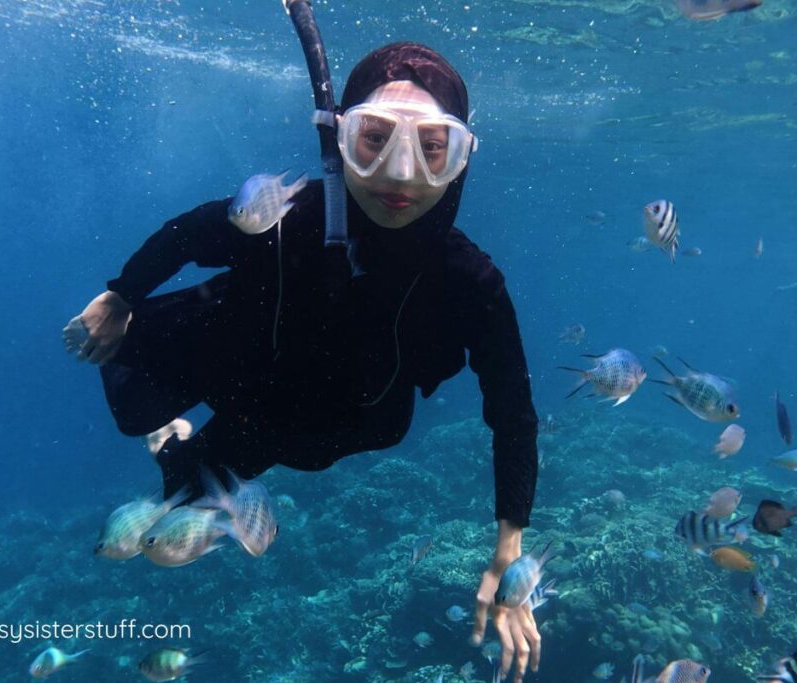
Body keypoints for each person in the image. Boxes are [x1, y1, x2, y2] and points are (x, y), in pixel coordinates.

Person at [64, 43, 540, 682]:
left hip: (325, 419)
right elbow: (190, 232)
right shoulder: (288, 217)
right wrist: (121, 294)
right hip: (237, 361)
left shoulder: (469, 280)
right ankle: (163, 419)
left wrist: (507, 550)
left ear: (461, 160)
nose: (400, 175)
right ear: (340, 139)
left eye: (432, 147)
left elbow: (513, 414)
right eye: (374, 140)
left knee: (188, 488)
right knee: (132, 406)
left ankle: (178, 443)